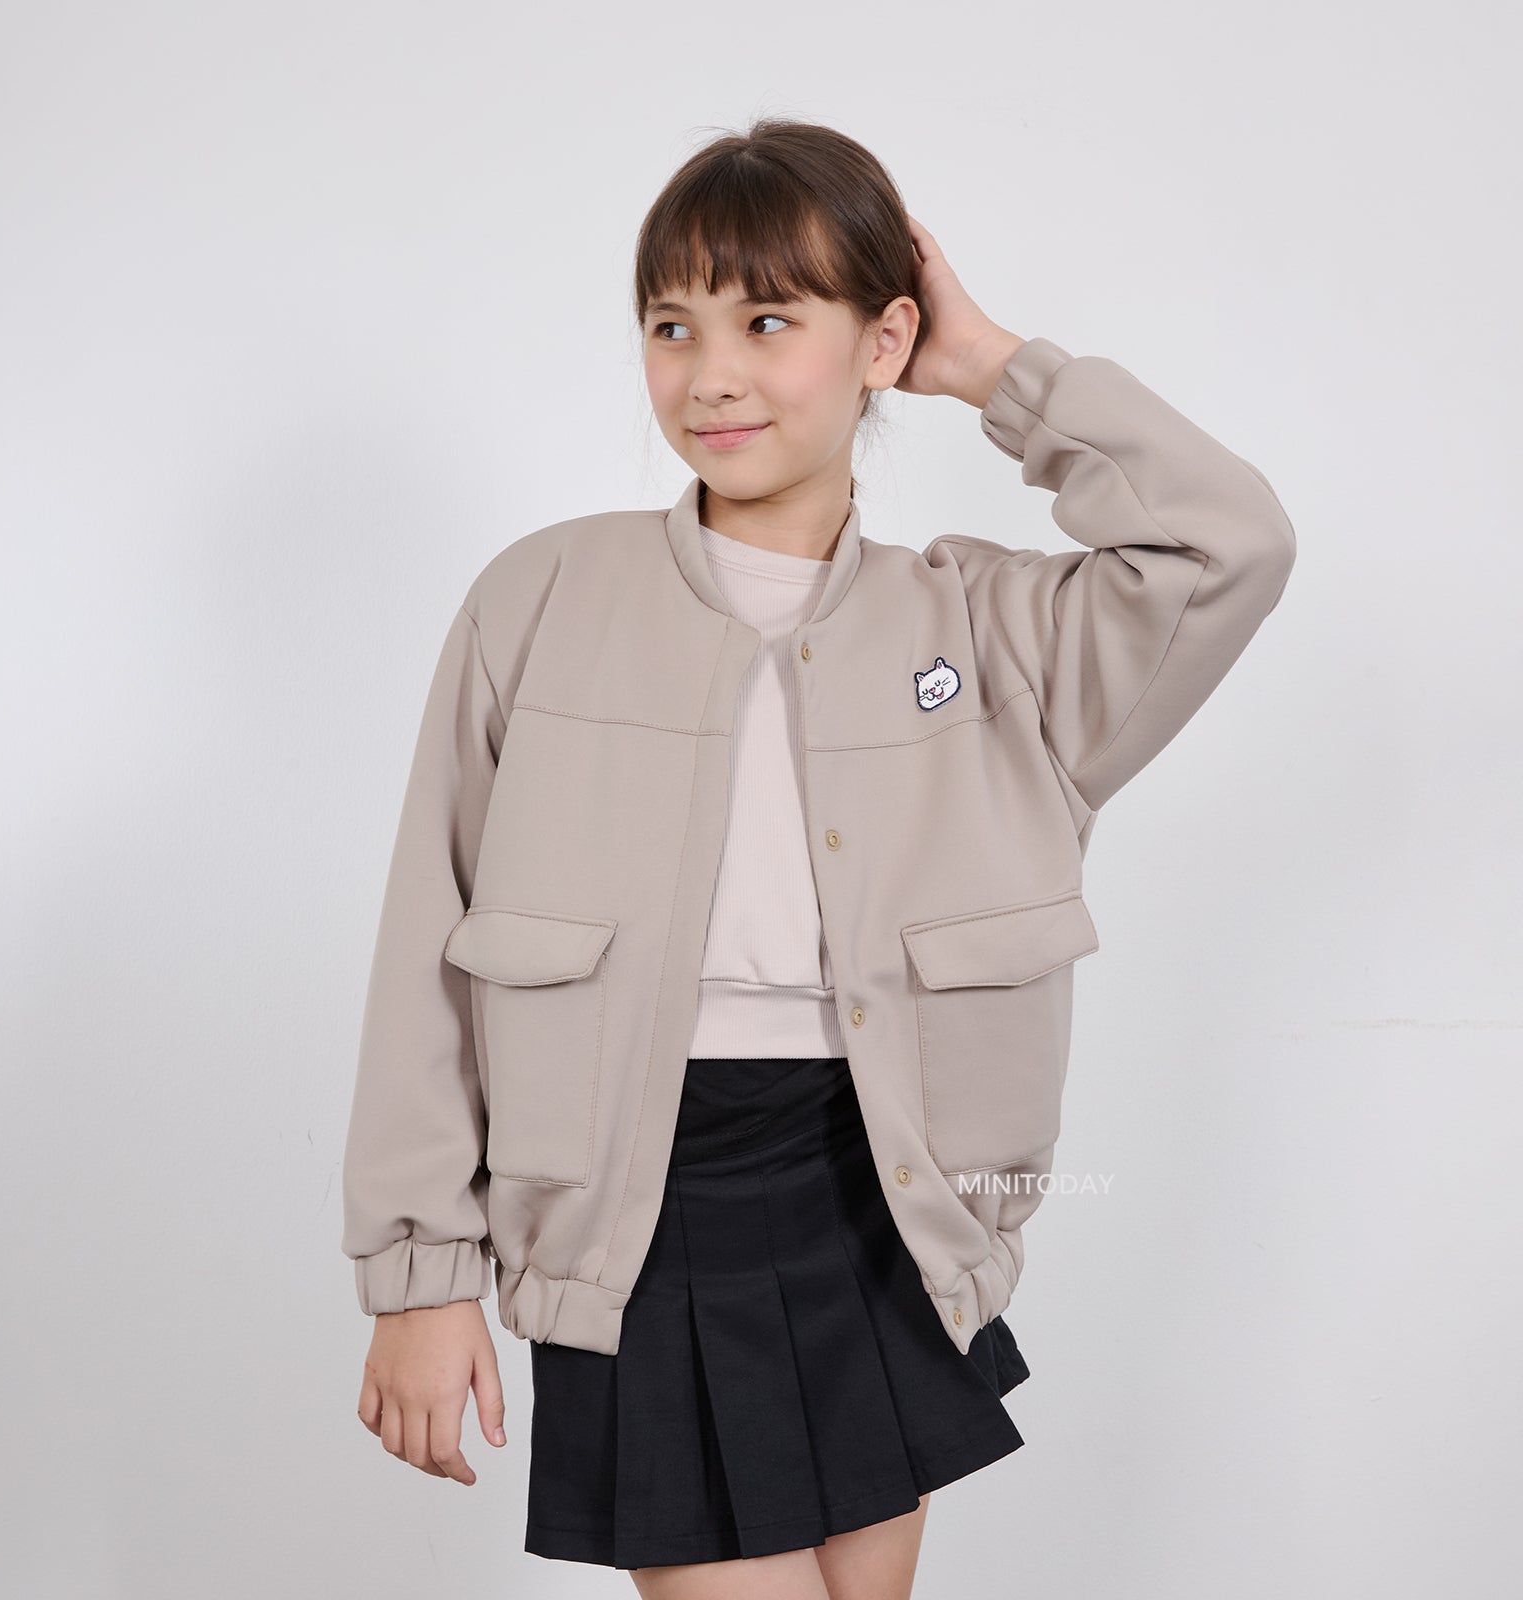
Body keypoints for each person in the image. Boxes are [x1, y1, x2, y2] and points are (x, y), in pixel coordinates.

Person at [341, 116, 1297, 1598]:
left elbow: (1229, 545)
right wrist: (419, 1274)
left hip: (887, 1195)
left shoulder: (995, 637)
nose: (710, 373)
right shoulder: (537, 601)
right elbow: (430, 940)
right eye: (673, 325)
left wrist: (990, 368)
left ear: (882, 340)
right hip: (638, 1205)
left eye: (769, 321)